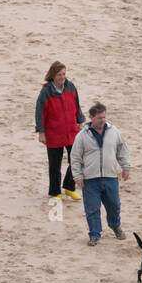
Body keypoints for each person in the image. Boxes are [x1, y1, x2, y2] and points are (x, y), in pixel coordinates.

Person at [69, 102, 131, 246]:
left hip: (110, 177)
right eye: (99, 118)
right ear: (91, 118)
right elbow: (75, 157)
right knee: (92, 209)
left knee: (114, 205)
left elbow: (122, 149)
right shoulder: (82, 136)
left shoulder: (114, 131)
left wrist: (125, 167)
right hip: (90, 179)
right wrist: (77, 176)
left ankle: (115, 225)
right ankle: (94, 234)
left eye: (104, 117)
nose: (102, 120)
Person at [34, 61, 84, 200]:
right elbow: (40, 113)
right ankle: (55, 192)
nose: (62, 77)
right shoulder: (46, 91)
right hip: (54, 133)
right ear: (53, 75)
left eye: (64, 74)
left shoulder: (70, 86)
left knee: (77, 159)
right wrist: (41, 132)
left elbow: (77, 105)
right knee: (54, 165)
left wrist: (80, 121)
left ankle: (69, 187)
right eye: (59, 74)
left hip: (71, 131)